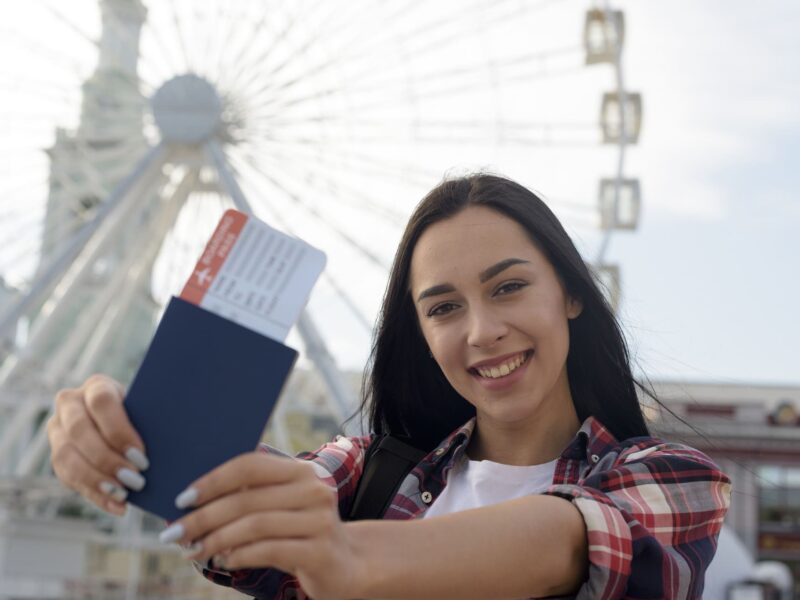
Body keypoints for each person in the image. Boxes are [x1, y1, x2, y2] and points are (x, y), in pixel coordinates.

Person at [47, 174, 731, 599]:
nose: (483, 330)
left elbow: (568, 540)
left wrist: (346, 559)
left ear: (573, 296)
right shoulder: (360, 472)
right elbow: (245, 497)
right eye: (443, 308)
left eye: (510, 287)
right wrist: (125, 435)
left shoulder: (672, 480)